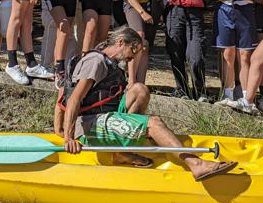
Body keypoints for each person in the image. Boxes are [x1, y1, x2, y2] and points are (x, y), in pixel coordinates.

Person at [57, 26, 237, 181]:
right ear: (121, 42)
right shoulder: (95, 62)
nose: (133, 57)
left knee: (139, 90)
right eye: (132, 50)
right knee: (153, 123)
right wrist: (68, 138)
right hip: (89, 124)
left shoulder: (108, 62)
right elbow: (74, 99)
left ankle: (121, 151)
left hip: (104, 114)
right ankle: (196, 164)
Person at [163, 0, 210, 101]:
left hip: (194, 14)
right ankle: (181, 89)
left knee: (195, 55)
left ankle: (200, 90)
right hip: (175, 12)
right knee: (176, 52)